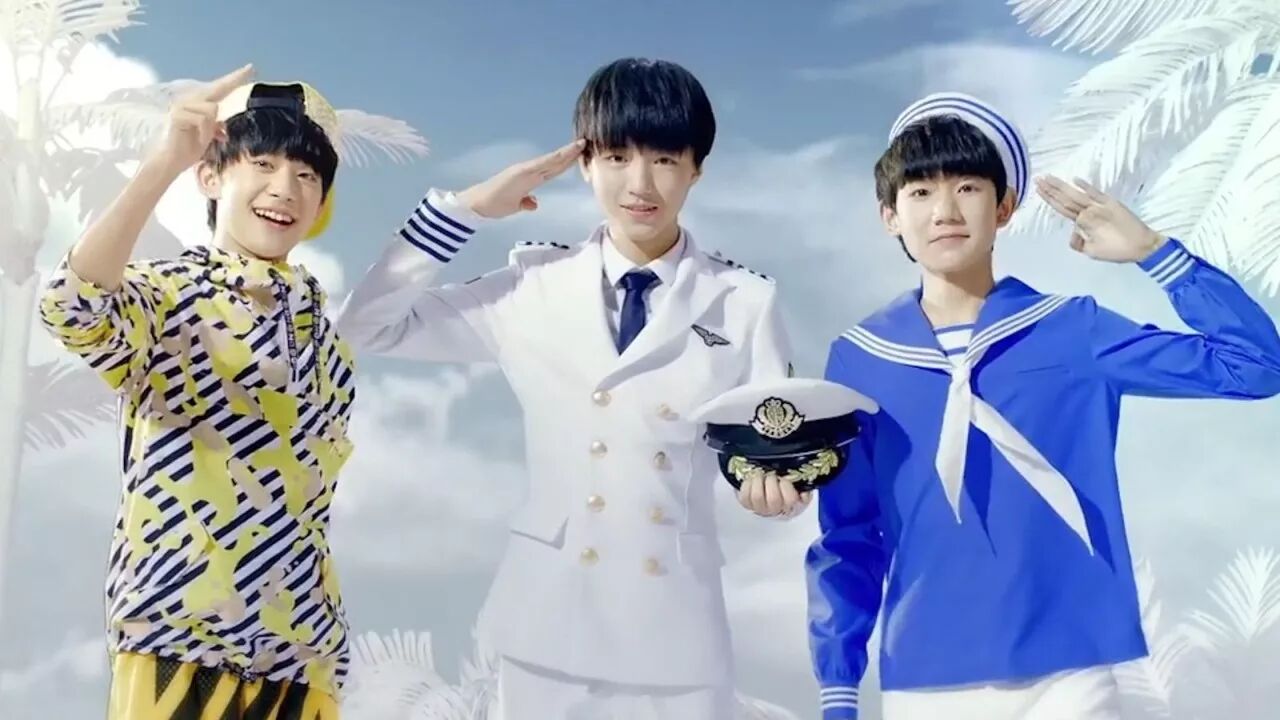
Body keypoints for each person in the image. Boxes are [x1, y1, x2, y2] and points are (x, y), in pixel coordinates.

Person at [336, 57, 806, 719]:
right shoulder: (533, 285)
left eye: (664, 160)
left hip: (674, 636)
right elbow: (365, 327)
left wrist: (778, 493)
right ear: (584, 163)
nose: (639, 184)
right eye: (616, 157)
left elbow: (777, 449)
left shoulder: (744, 301)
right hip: (545, 629)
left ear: (697, 169)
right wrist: (465, 211)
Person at [806, 91, 1280, 720]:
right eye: (920, 192)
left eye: (967, 187)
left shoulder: (1070, 330)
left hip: (1070, 675)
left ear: (1004, 207)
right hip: (926, 677)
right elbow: (850, 533)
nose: (945, 210)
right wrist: (838, 691)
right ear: (890, 215)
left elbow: (1255, 366)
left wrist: (1155, 252)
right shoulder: (861, 358)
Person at [39, 66, 356, 719]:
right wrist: (162, 163)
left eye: (306, 174)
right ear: (211, 177)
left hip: (304, 658)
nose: (284, 188)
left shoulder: (324, 338)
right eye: (262, 163)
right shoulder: (171, 296)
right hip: (179, 643)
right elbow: (71, 306)